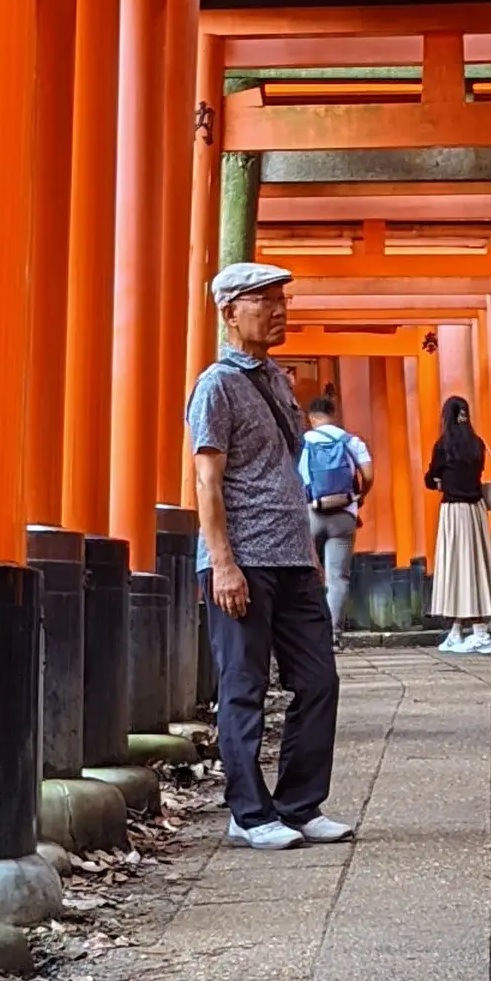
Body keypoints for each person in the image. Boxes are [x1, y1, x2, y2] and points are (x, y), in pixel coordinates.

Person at [186, 260, 354, 850]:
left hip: (291, 555)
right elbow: (208, 481)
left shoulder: (279, 380)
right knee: (244, 687)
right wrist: (222, 561)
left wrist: (307, 551)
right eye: (263, 300)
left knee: (318, 680)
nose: (279, 309)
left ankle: (300, 804)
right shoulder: (216, 385)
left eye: (281, 299)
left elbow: (286, 475)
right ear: (230, 312)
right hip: (243, 559)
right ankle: (249, 814)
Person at [424, 391, 491, 652]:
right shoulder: (477, 443)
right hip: (476, 511)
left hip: (454, 512)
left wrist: (441, 480)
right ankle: (458, 632)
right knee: (474, 568)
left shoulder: (443, 445)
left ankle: (479, 633)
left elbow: (430, 477)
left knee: (457, 569)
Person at [299, 399, 374, 625]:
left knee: (304, 573)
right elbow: (369, 475)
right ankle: (333, 634)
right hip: (344, 514)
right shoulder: (352, 441)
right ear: (333, 414)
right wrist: (361, 496)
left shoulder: (301, 443)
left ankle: (308, 631)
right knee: (338, 576)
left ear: (311, 418)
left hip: (310, 513)